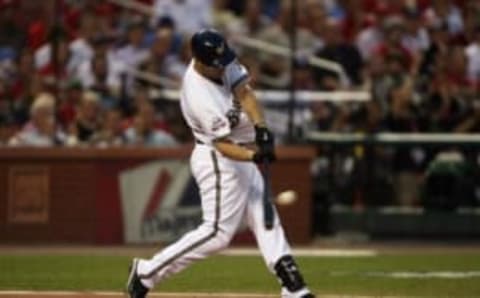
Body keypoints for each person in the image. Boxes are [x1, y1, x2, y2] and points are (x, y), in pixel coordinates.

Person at [126, 29, 314, 298]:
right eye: (216, 64)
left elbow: (245, 93)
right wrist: (253, 155)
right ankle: (147, 271)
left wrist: (261, 127)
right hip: (217, 158)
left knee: (264, 216)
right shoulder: (198, 95)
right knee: (217, 234)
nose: (223, 67)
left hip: (238, 149)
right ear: (200, 61)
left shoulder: (221, 62)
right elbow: (222, 145)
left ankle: (293, 286)